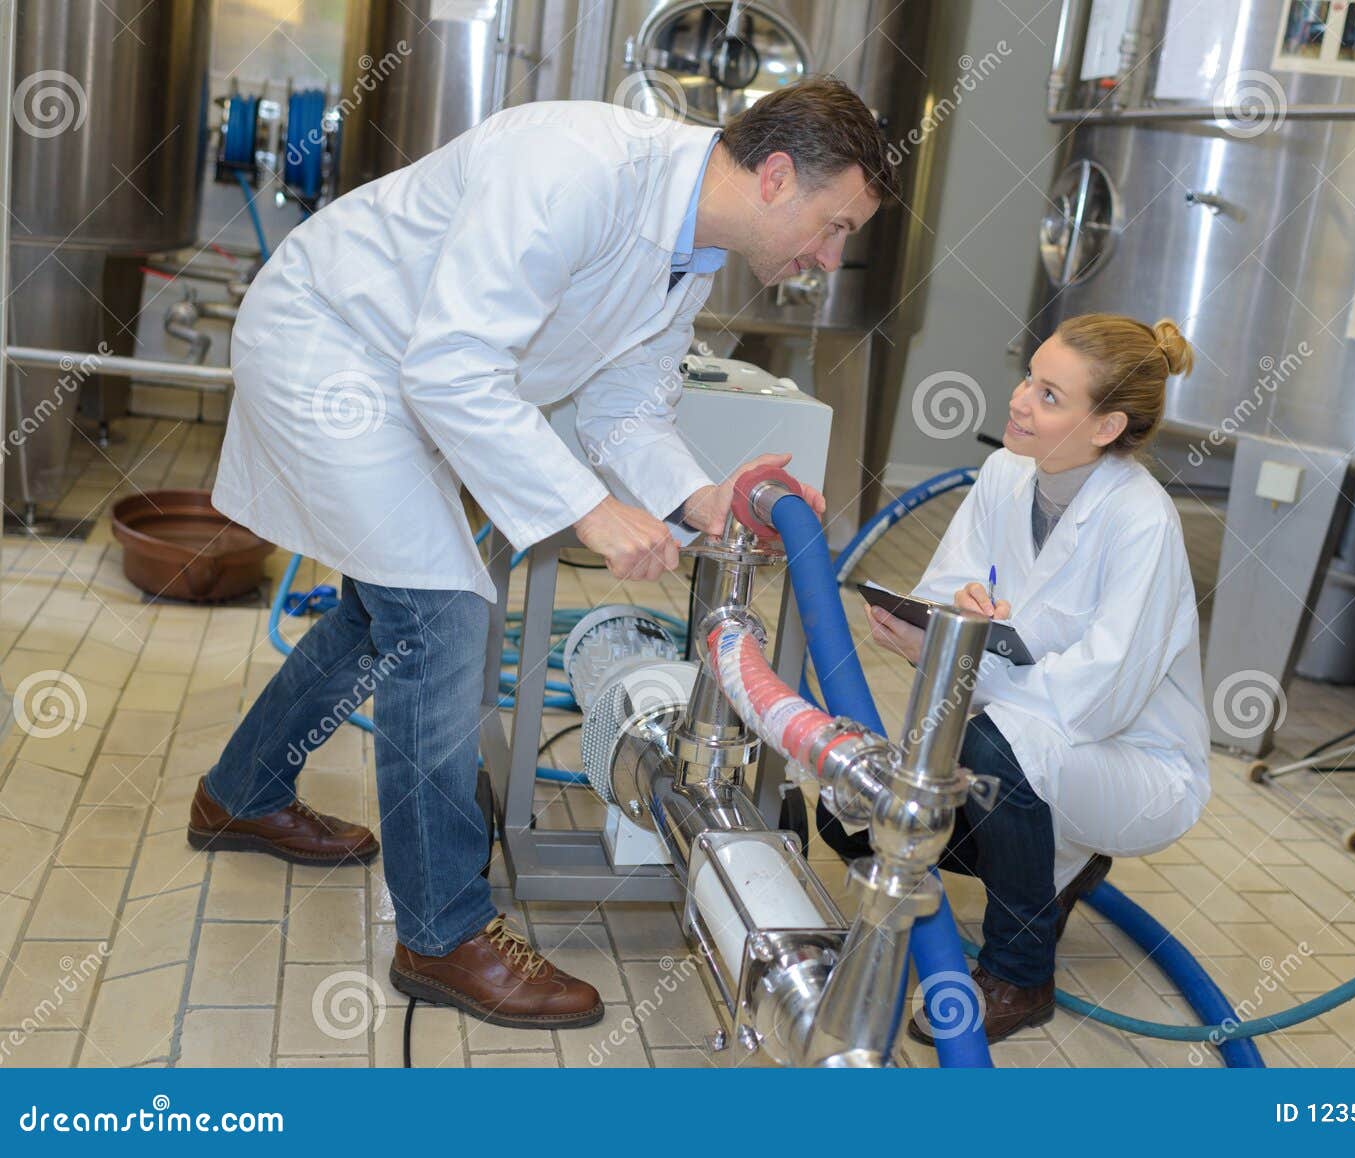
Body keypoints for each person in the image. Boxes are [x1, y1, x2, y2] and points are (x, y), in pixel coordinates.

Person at [188, 79, 895, 1031]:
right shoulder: (579, 165)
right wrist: (592, 511)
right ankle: (441, 936)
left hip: (409, 378)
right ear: (776, 176)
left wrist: (705, 499)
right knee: (442, 619)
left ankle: (239, 794)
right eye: (835, 222)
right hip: (333, 351)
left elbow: (626, 406)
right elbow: (450, 364)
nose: (831, 252)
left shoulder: (693, 251)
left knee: (388, 610)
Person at [842, 313, 1211, 1044]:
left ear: (1106, 427)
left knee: (992, 755)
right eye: (1028, 378)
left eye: (1049, 395)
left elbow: (1101, 697)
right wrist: (950, 614)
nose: (1018, 401)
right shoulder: (1006, 473)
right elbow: (950, 580)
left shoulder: (1142, 521)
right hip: (1028, 743)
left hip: (1135, 764)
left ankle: (1020, 972)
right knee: (850, 816)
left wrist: (953, 658)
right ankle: (1055, 866)